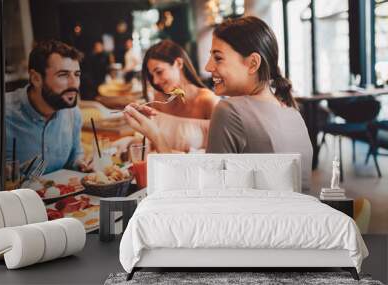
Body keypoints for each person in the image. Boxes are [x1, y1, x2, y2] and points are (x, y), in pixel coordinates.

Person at [123, 16, 313, 190]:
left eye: (218, 58)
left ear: (253, 64)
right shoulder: (294, 113)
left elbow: (206, 194)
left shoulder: (230, 110)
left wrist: (155, 134)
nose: (208, 67)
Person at [114, 39, 219, 154]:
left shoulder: (208, 101)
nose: (155, 81)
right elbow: (154, 143)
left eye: (159, 72)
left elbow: (220, 155)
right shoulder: (159, 98)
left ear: (179, 63)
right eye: (151, 75)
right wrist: (129, 143)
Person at [5, 39, 91, 174]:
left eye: (77, 75)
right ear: (36, 79)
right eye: (63, 75)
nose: (74, 84)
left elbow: (75, 157)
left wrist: (81, 163)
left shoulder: (73, 113)